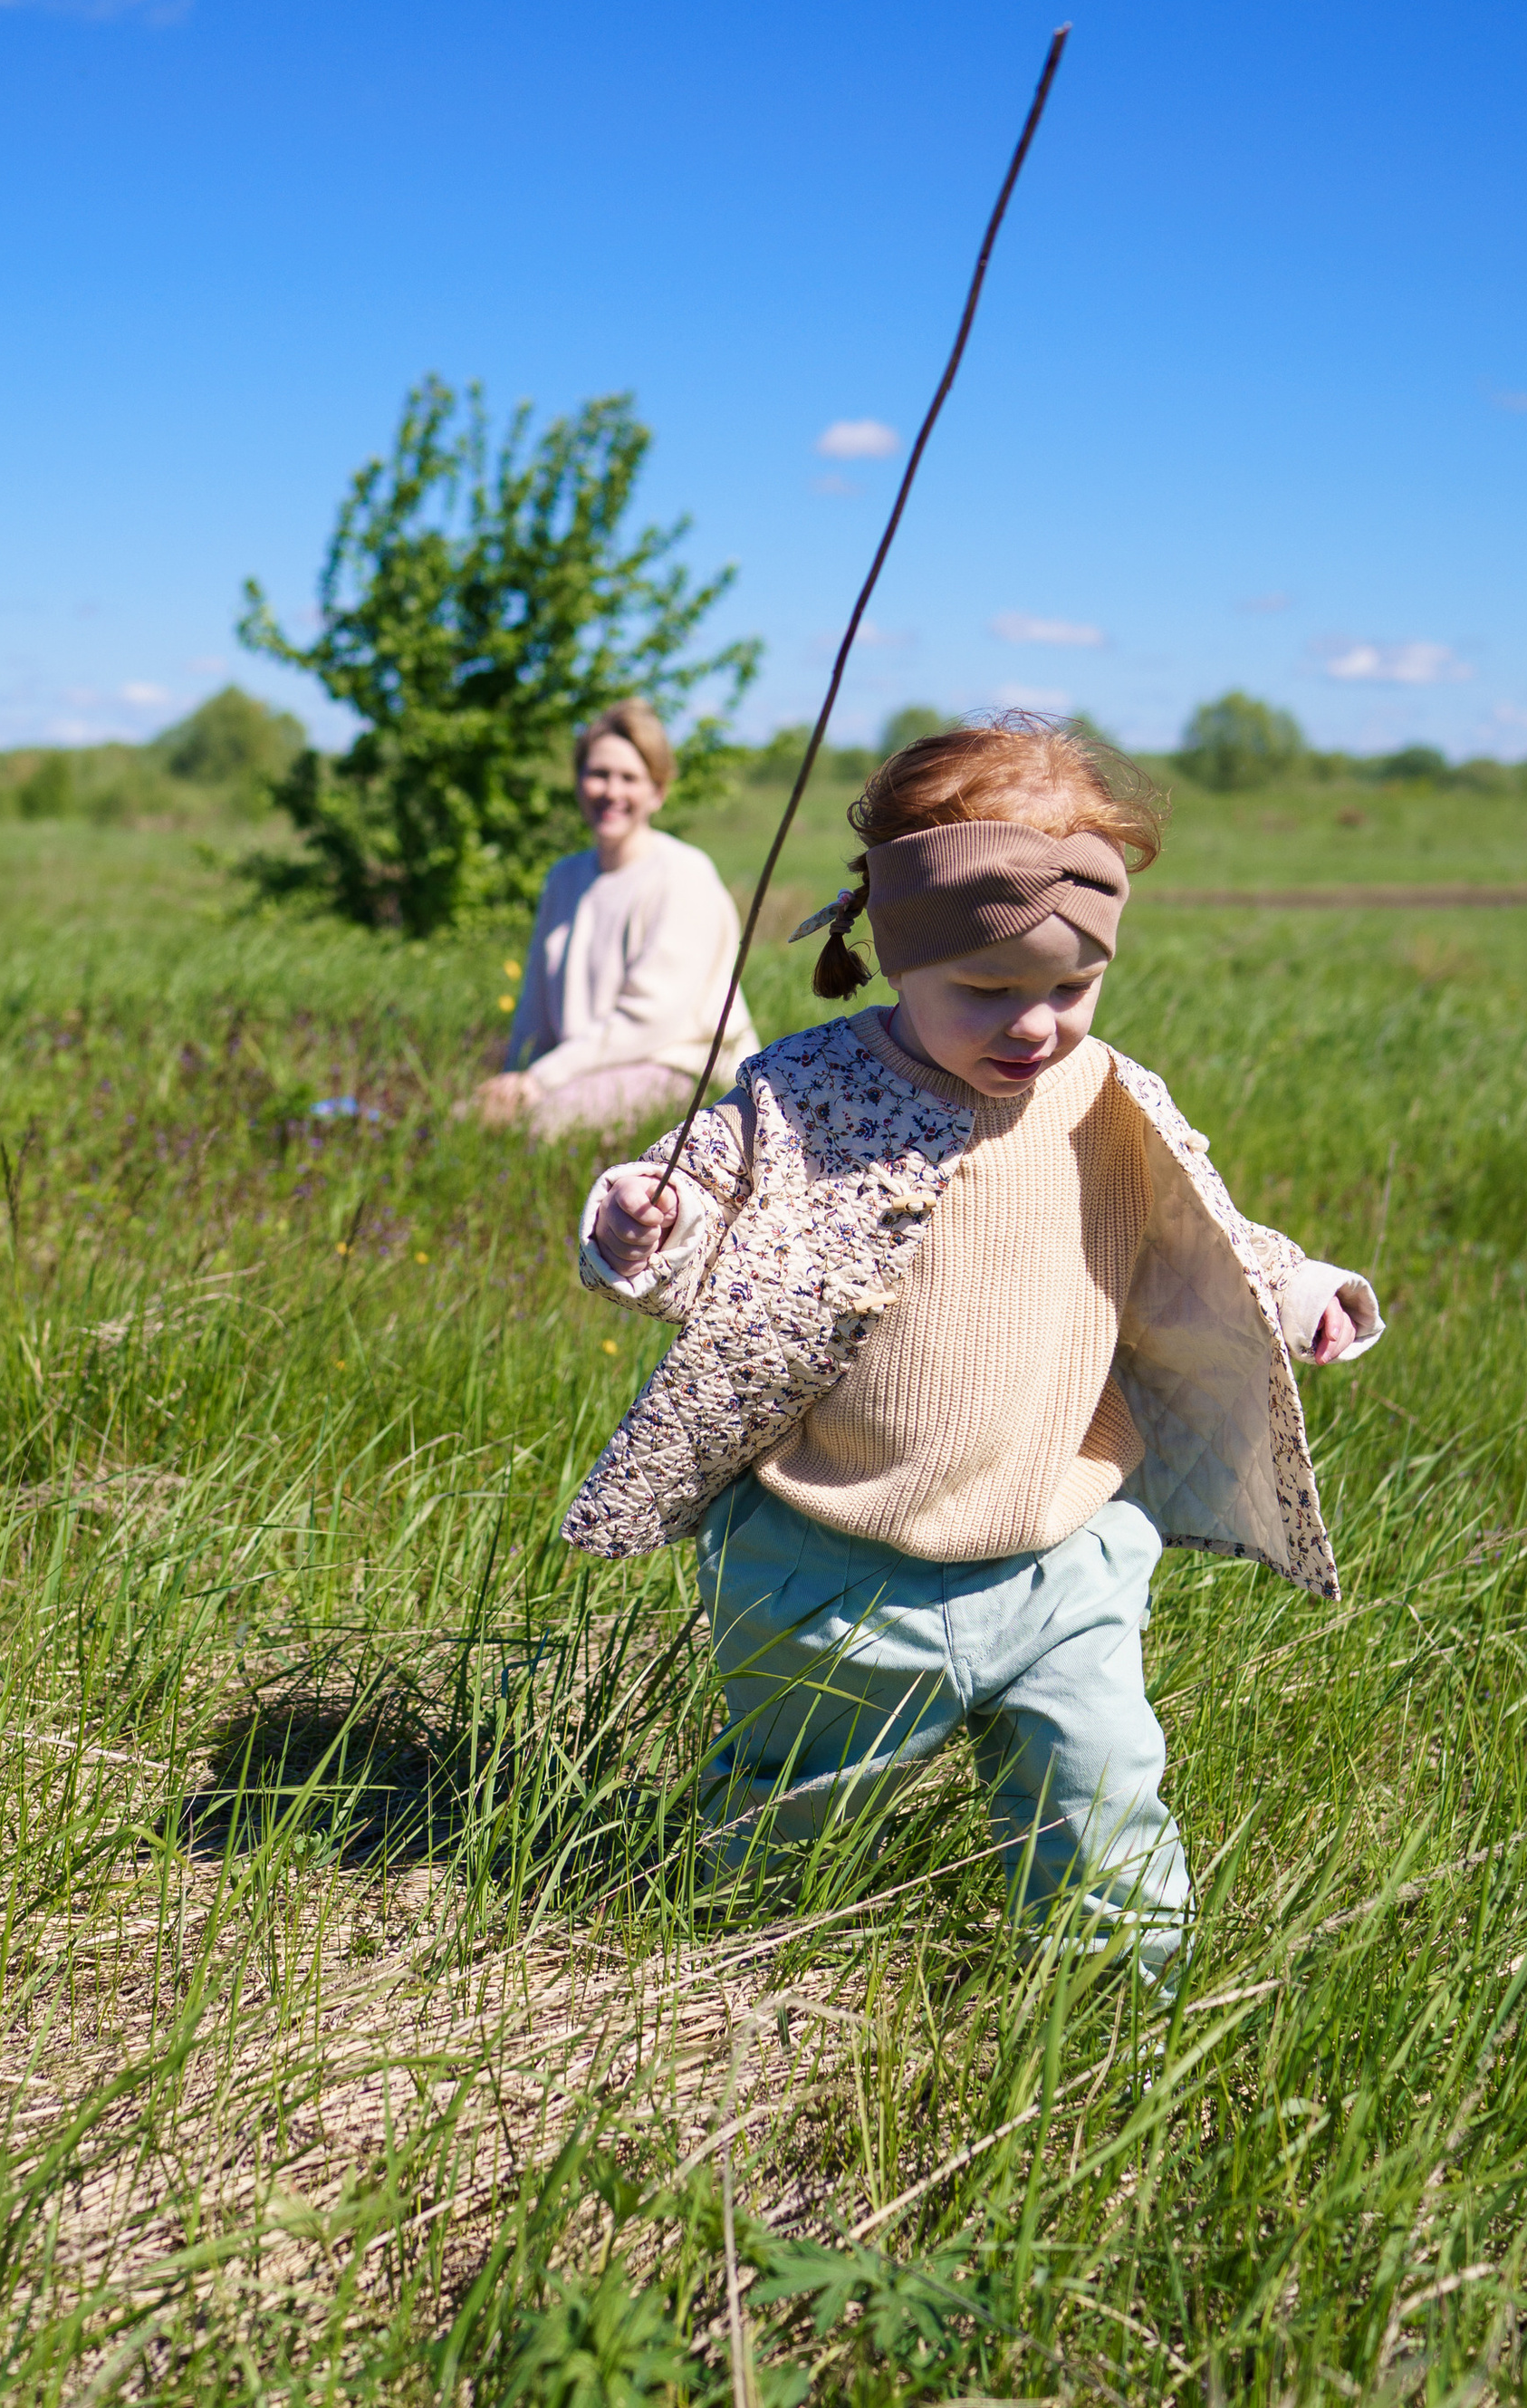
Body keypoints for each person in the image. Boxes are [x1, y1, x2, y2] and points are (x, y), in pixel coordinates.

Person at [561, 714, 1383, 1987]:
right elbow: (701, 1211)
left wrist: (1298, 1288)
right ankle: (738, 1977)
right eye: (987, 992)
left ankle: (1122, 2005)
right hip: (832, 1563)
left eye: (1071, 985)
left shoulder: (1109, 1094)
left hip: (1063, 1547)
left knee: (1104, 1794)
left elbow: (1202, 1229)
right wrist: (640, 1222)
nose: (1036, 1025)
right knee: (795, 1809)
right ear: (897, 955)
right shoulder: (808, 1091)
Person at [479, 701, 757, 1142]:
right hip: (588, 1065)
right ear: (578, 783)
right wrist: (515, 1076)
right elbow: (534, 1001)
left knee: (540, 1126)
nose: (611, 792)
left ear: (658, 791)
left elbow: (651, 1020)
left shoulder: (682, 875)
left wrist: (541, 1081)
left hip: (683, 1064)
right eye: (598, 774)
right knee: (471, 1117)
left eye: (629, 778)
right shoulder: (564, 877)